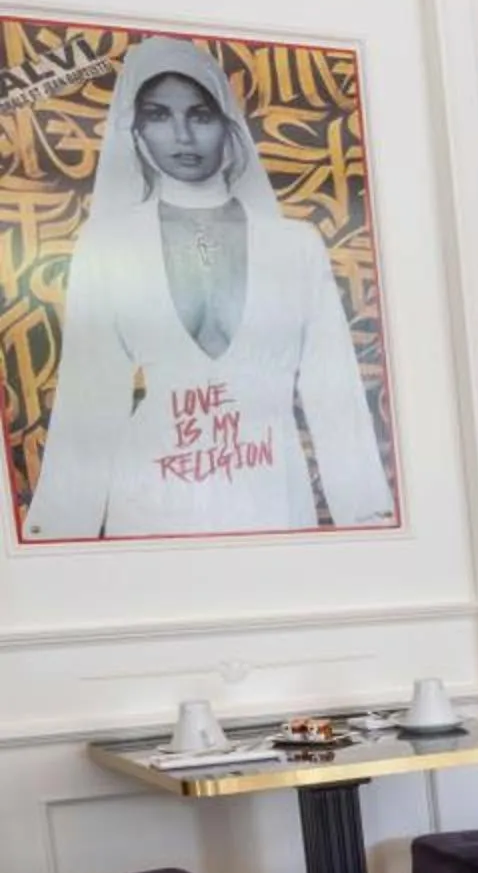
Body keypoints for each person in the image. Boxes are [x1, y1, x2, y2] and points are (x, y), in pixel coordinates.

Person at [20, 36, 392, 540]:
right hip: (149, 503)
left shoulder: (295, 245)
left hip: (274, 499)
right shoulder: (109, 242)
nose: (182, 135)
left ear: (227, 124)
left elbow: (336, 394)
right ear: (135, 129)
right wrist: (58, 544)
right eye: (158, 115)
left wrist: (369, 525)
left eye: (199, 115)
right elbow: (89, 400)